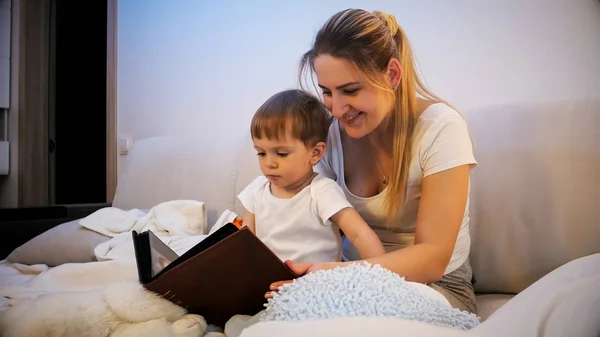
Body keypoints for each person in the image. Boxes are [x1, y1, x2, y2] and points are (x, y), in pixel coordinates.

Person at [267, 8, 479, 314]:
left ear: (391, 75)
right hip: (349, 279)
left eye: (350, 90)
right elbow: (309, 217)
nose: (337, 109)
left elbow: (433, 260)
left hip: (438, 286)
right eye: (326, 92)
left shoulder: (441, 128)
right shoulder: (330, 136)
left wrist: (332, 275)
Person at [237, 89, 385, 266]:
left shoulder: (321, 191)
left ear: (315, 153)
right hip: (271, 281)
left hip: (315, 283)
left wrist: (384, 273)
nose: (269, 163)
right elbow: (246, 243)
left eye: (282, 153)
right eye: (261, 153)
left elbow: (359, 234)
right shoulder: (257, 190)